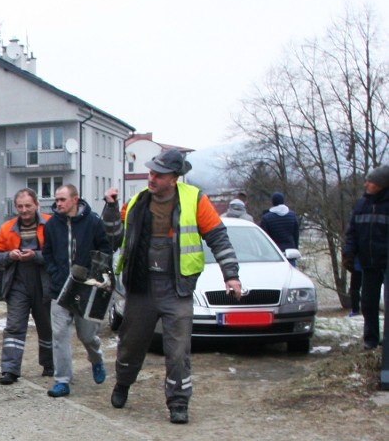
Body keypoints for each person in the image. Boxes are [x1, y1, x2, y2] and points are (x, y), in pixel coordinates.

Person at [102, 149, 241, 424]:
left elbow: (219, 238)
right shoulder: (136, 202)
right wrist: (109, 208)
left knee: (178, 351)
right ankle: (123, 384)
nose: (151, 178)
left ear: (174, 178)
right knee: (130, 344)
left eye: (158, 174)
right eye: (151, 173)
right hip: (142, 287)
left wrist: (231, 275)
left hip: (177, 288)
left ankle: (178, 402)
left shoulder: (195, 199)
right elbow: (114, 238)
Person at [42, 184, 112, 398]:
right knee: (60, 336)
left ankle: (97, 359)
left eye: (62, 199)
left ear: (75, 199)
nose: (58, 204)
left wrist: (92, 274)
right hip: (59, 290)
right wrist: (56, 275)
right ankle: (62, 380)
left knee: (86, 335)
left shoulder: (93, 223)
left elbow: (106, 250)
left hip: (86, 290)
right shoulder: (52, 225)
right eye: (57, 200)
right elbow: (47, 254)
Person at [0, 188, 54, 384]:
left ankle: (50, 365)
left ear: (36, 204)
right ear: (16, 207)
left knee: (47, 326)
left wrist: (36, 256)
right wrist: (9, 256)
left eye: (28, 205)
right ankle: (9, 370)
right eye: (20, 206)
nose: (24, 210)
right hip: (17, 282)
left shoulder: (51, 225)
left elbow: (59, 256)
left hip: (44, 283)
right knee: (14, 326)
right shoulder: (7, 228)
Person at [343, 165, 389, 350]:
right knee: (368, 303)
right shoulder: (362, 204)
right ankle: (371, 339)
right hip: (368, 262)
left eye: (370, 181)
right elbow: (352, 231)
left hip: (386, 261)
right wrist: (349, 252)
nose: (366, 184)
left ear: (381, 184)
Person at [260, 192, 299, 265]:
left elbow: (264, 238)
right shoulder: (292, 215)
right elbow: (296, 234)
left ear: (273, 202)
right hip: (290, 252)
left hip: (273, 253)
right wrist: (295, 248)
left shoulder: (266, 218)